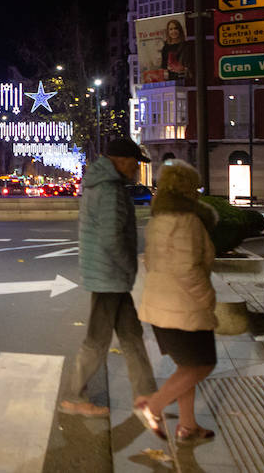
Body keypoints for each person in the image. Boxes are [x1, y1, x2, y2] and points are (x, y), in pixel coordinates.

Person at [59, 137, 157, 417]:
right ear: (122, 161)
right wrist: (129, 267)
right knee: (97, 340)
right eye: (135, 162)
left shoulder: (101, 184)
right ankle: (73, 396)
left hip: (108, 274)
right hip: (109, 275)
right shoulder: (110, 190)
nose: (137, 168)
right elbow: (112, 237)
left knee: (131, 336)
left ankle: (147, 395)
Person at [134, 159, 219, 443]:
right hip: (185, 306)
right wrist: (207, 299)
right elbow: (187, 269)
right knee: (202, 365)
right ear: (186, 188)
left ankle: (187, 427)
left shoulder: (159, 219)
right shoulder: (188, 221)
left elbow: (151, 261)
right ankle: (153, 406)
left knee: (186, 367)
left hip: (161, 305)